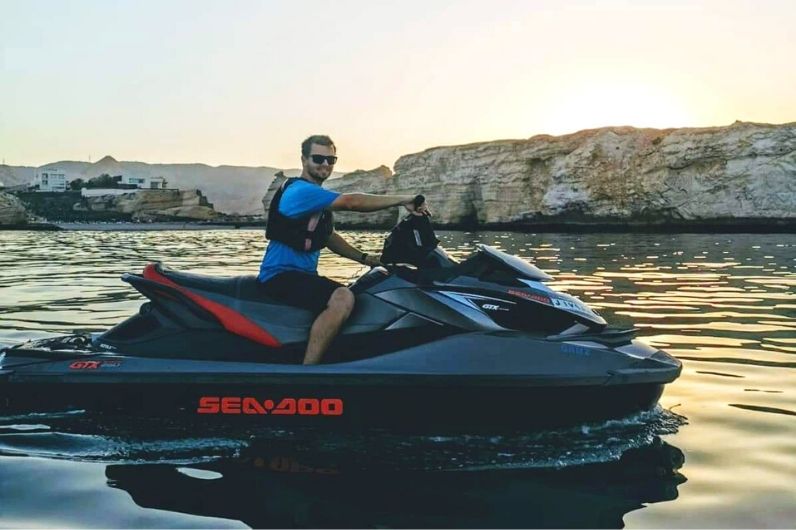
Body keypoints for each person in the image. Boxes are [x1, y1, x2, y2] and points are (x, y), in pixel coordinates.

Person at [259, 134, 430, 365]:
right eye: (318, 158)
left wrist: (367, 259)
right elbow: (353, 202)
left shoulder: (316, 198)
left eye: (331, 160)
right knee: (342, 297)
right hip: (279, 275)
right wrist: (403, 200)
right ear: (303, 159)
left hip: (301, 276)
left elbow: (328, 236)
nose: (325, 165)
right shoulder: (300, 192)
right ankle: (308, 371)